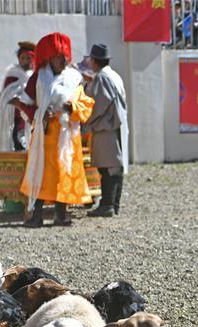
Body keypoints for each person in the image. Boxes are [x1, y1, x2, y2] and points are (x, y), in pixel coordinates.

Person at [15, 32, 95, 228]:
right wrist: (38, 116)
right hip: (45, 134)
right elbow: (25, 102)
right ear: (49, 57)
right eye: (59, 56)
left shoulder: (74, 77)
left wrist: (72, 108)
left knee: (64, 174)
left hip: (67, 135)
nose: (64, 60)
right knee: (41, 174)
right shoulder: (39, 77)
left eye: (66, 56)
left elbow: (85, 102)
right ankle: (37, 215)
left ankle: (61, 215)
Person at [82, 44, 128, 218]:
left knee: (107, 167)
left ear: (94, 61)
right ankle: (114, 204)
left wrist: (86, 120)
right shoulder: (114, 75)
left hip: (106, 126)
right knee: (115, 166)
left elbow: (100, 103)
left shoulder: (102, 77)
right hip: (117, 124)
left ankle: (108, 204)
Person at [0, 41, 34, 152]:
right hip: (13, 118)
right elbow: (6, 95)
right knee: (15, 143)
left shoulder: (37, 76)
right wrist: (15, 101)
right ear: (19, 59)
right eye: (23, 58)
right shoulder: (12, 73)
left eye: (28, 58)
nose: (25, 61)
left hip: (30, 117)